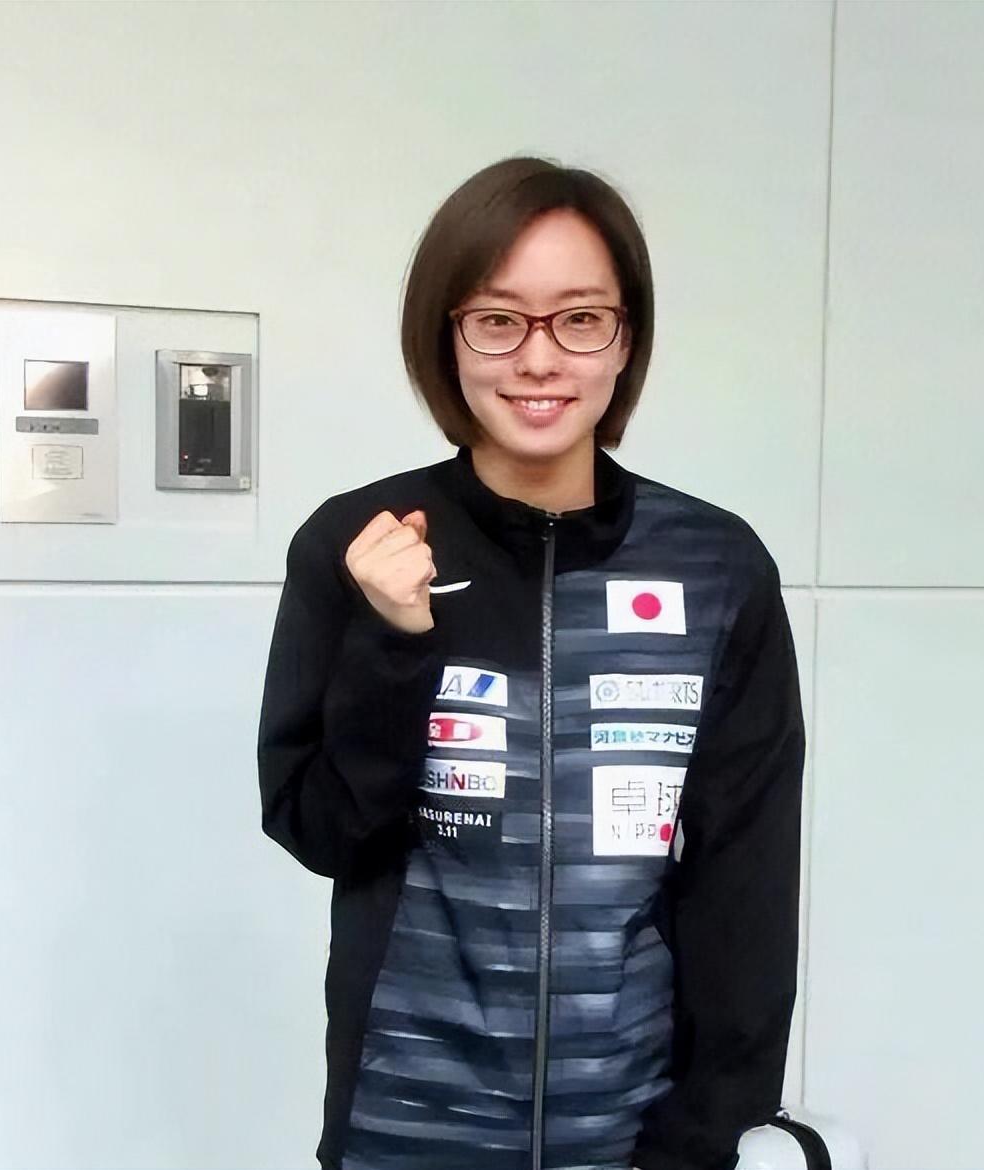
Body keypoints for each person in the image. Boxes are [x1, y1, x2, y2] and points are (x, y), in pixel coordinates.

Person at [257, 156, 806, 1170]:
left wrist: (705, 1134)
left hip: (629, 1130)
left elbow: (748, 880)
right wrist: (394, 643)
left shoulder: (718, 566)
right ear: (447, 335)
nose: (539, 359)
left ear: (625, 338)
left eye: (580, 318)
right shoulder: (360, 545)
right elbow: (320, 830)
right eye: (498, 319)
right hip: (403, 1127)